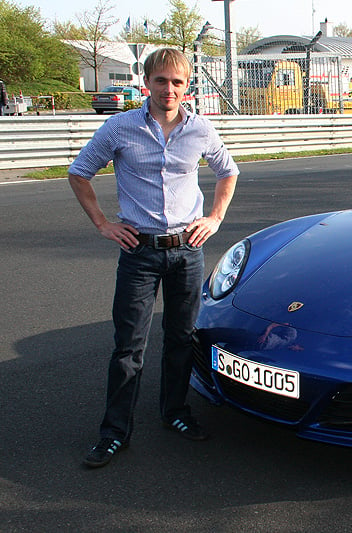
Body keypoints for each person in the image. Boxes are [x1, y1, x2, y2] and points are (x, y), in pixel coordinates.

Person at [68, 48, 239, 468]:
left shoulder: (200, 129)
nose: (169, 89)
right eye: (161, 81)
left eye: (177, 82)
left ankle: (175, 412)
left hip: (187, 251)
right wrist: (103, 224)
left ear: (187, 86)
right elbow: (79, 172)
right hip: (139, 251)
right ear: (148, 82)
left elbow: (228, 171)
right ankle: (114, 433)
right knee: (129, 346)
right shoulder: (120, 127)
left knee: (182, 339)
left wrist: (215, 218)